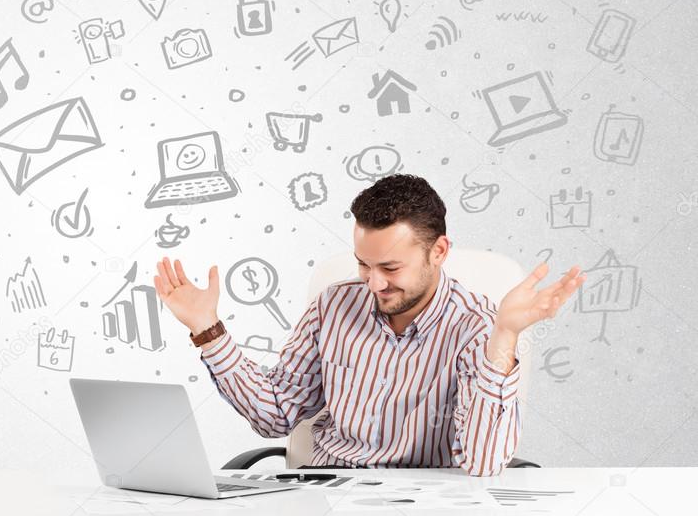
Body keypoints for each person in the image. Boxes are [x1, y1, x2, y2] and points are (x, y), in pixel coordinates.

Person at [153, 174, 585, 476]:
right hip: (326, 491)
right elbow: (276, 414)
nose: (373, 283)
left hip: (425, 500)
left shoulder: (477, 326)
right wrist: (207, 329)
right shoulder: (333, 305)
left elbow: (484, 461)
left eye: (391, 267)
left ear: (438, 251)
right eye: (364, 264)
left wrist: (504, 336)